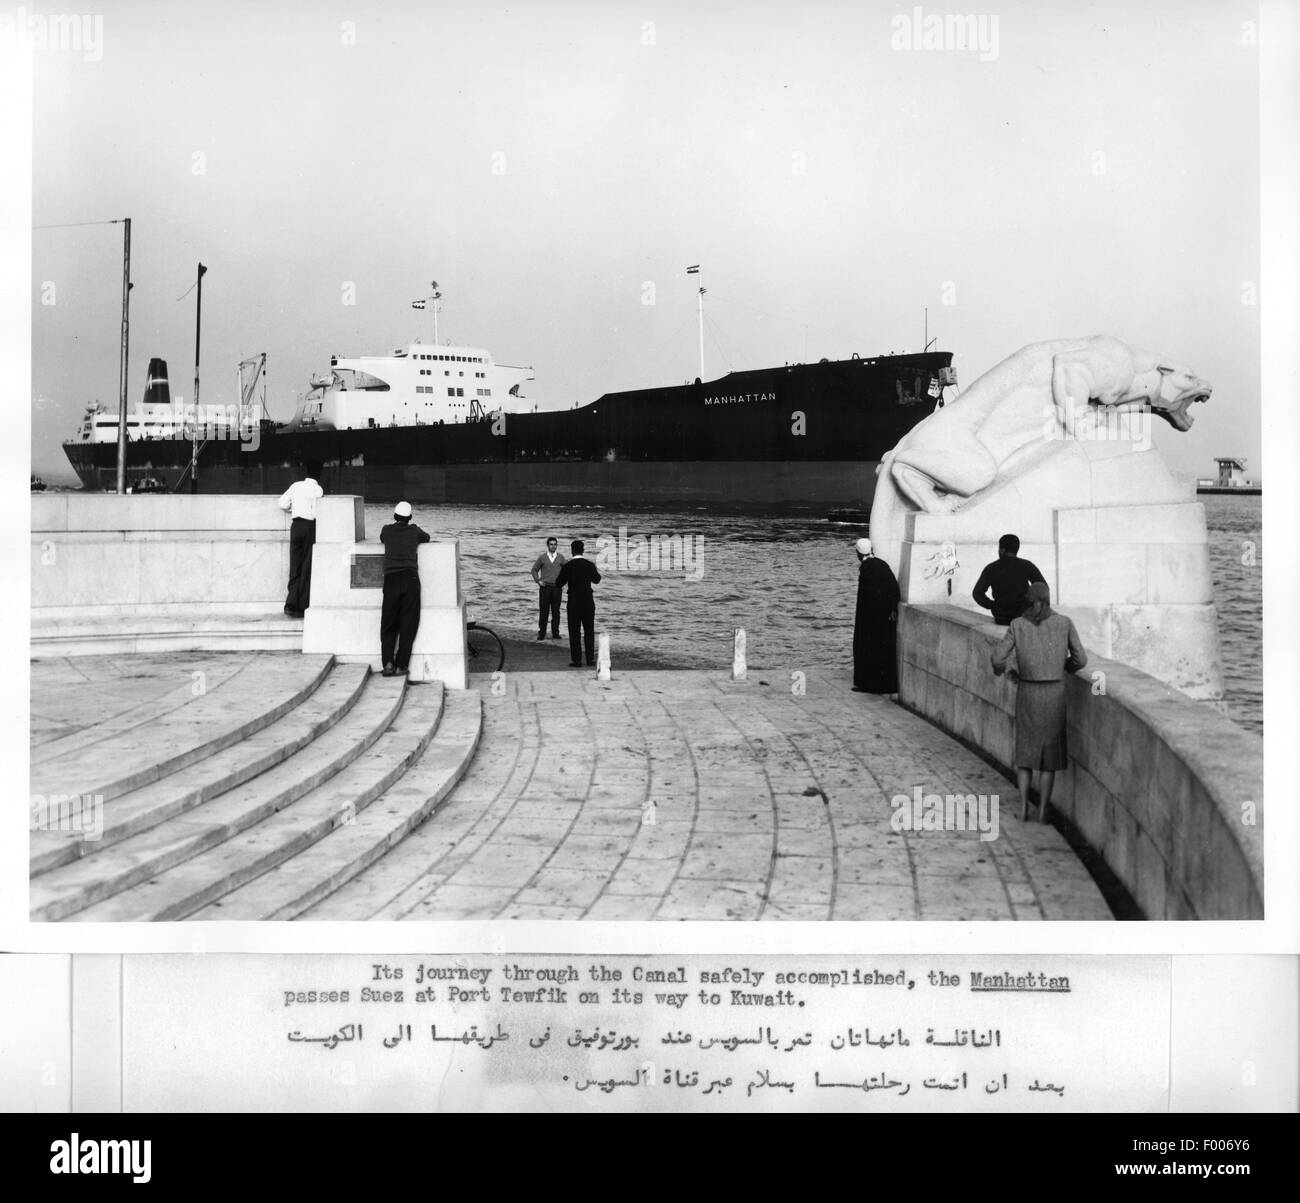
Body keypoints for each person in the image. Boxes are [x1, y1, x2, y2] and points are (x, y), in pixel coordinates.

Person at [991, 581, 1087, 823]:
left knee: (1025, 755)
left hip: (1028, 692)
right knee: (1049, 759)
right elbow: (1081, 659)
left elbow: (997, 657)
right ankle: (1043, 810)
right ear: (1047, 599)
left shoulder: (1018, 625)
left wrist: (1004, 671)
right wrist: (1065, 666)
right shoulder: (1064, 623)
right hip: (1054, 692)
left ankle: (1023, 807)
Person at [379, 501, 431, 677]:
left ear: (394, 516)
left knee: (388, 624)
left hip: (391, 580)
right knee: (408, 624)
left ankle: (387, 663)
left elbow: (382, 538)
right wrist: (414, 527)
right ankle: (402, 665)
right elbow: (427, 537)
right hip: (410, 579)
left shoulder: (386, 530)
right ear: (410, 518)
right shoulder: (415, 531)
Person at [852, 537, 899, 693]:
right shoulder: (882, 564)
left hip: (869, 619)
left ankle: (868, 684)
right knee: (883, 651)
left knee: (868, 650)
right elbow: (894, 588)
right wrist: (892, 609)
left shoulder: (866, 569)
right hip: (885, 618)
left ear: (858, 554)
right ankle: (886, 684)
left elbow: (866, 598)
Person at [277, 461, 324, 618]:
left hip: (296, 525)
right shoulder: (318, 490)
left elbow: (282, 503)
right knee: (306, 566)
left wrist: (294, 508)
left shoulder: (296, 486)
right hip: (310, 526)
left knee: (295, 564)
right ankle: (301, 605)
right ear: (319, 475)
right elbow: (318, 511)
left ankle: (290, 603)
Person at [972, 533, 1045, 626]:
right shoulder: (1027, 565)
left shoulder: (991, 568)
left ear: (1002, 550)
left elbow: (977, 593)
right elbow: (1043, 587)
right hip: (1023, 618)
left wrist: (992, 605)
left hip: (1001, 619)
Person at [555, 539, 601, 667]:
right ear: (583, 550)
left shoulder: (568, 566)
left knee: (574, 631)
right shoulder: (589, 564)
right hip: (587, 600)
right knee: (589, 630)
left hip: (573, 601)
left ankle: (577, 660)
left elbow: (559, 583)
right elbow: (597, 580)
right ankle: (590, 659)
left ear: (572, 551)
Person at [530, 536, 567, 640]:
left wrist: (563, 582)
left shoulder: (560, 557)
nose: (553, 546)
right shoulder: (542, 557)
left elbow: (567, 570)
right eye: (551, 544)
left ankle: (555, 633)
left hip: (557, 588)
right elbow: (534, 570)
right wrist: (538, 581)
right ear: (547, 545)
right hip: (545, 588)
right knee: (544, 611)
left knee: (556, 611)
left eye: (555, 544)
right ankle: (542, 633)